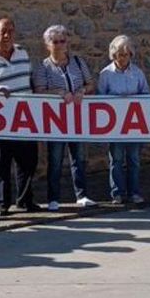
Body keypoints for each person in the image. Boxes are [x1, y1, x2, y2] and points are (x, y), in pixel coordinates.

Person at [0, 17, 39, 214]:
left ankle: (25, 200)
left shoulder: (23, 53)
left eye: (11, 31)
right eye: (2, 31)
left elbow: (30, 81)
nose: (7, 35)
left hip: (24, 118)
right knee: (2, 163)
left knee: (28, 162)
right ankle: (2, 203)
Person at [32, 24, 97, 211]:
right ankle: (54, 198)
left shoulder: (77, 62)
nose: (60, 45)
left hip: (77, 118)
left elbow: (91, 83)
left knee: (78, 157)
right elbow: (39, 91)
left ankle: (82, 194)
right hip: (56, 121)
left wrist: (82, 91)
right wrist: (59, 92)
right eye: (55, 42)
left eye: (63, 41)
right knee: (55, 159)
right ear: (47, 45)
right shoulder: (43, 67)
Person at [97, 34, 150, 205]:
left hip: (134, 124)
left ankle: (134, 192)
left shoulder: (138, 73)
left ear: (131, 55)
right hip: (115, 125)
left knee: (134, 159)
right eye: (119, 54)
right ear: (113, 55)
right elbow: (100, 98)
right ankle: (117, 193)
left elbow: (146, 95)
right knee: (117, 159)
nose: (122, 58)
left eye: (126, 54)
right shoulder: (105, 74)